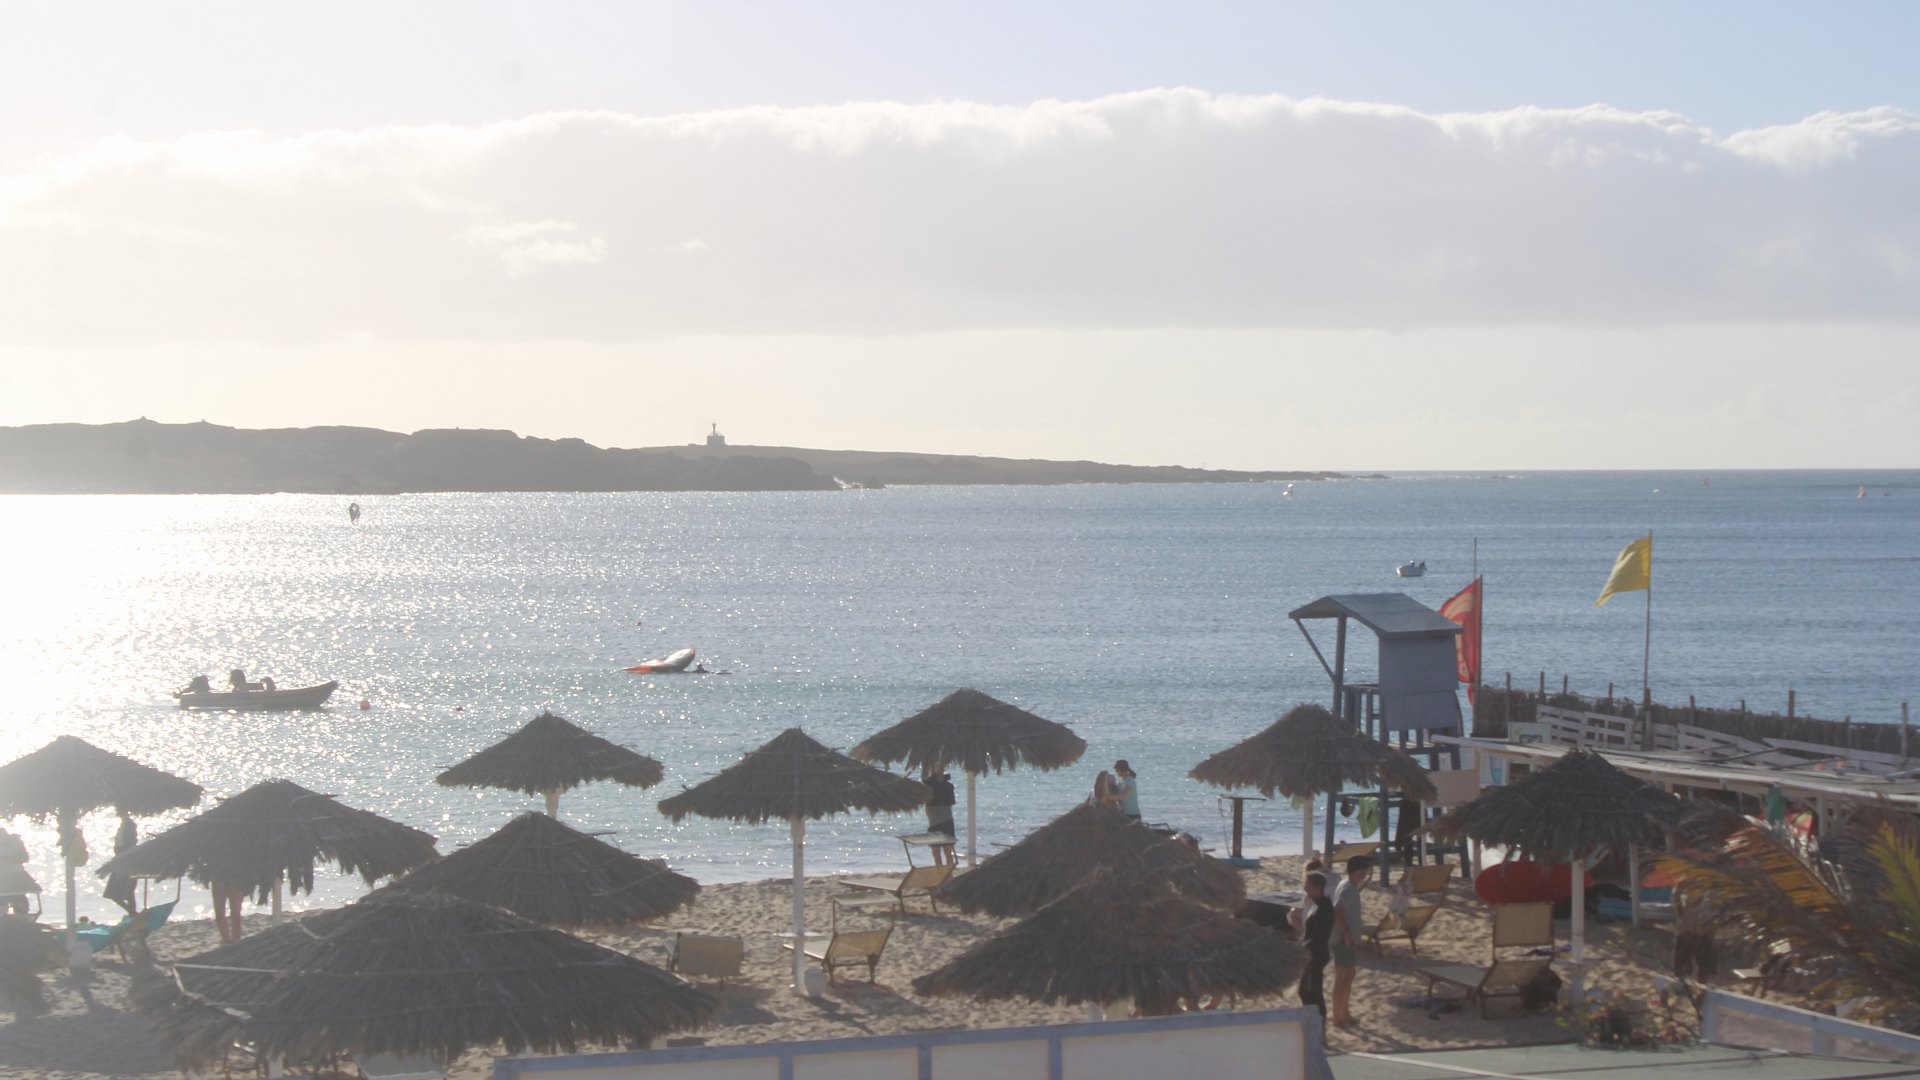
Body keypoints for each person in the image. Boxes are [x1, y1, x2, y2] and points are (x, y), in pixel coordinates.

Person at [1329, 854, 1374, 1029]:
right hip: (1341, 939)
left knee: (1349, 976)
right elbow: (1337, 911)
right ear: (1358, 870)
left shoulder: (1350, 885)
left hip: (1347, 939)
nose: (1367, 872)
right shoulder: (1348, 888)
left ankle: (1344, 1012)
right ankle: (1336, 1015)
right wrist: (1346, 933)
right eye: (1365, 869)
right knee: (1342, 978)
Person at [1297, 871, 1335, 1024]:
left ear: (1317, 888)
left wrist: (1303, 948)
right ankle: (1315, 1021)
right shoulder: (1318, 903)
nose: (1305, 888)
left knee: (1312, 993)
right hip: (1312, 953)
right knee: (1306, 992)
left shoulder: (1324, 907)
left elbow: (1319, 936)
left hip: (1316, 955)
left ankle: (1319, 1024)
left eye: (1308, 885)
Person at [103, 808, 139, 916]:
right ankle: (132, 913)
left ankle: (133, 914)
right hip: (121, 861)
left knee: (126, 892)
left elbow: (129, 844)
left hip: (125, 862)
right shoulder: (124, 827)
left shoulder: (129, 827)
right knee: (123, 893)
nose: (122, 816)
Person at [923, 768, 957, 863]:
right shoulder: (948, 787)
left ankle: (940, 870)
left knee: (936, 852)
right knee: (947, 851)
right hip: (947, 821)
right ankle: (949, 870)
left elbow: (928, 808)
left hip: (935, 823)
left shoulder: (929, 786)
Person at [0, 828, 36, 915]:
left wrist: (8, 860)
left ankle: (22, 918)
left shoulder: (16, 842)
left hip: (17, 877)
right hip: (2, 878)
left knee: (20, 902)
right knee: (2, 904)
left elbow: (25, 858)